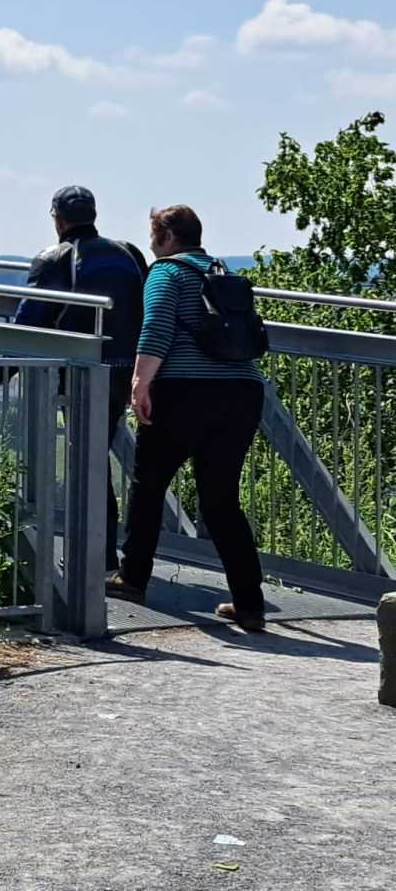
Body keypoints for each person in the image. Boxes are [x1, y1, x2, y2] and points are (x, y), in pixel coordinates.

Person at [107, 204, 267, 631]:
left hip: (184, 393)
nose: (151, 245)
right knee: (220, 501)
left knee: (148, 485)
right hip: (242, 392)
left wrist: (139, 385)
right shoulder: (220, 272)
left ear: (168, 237)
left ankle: (132, 578)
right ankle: (249, 603)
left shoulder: (166, 272)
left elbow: (156, 328)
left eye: (153, 237)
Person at [12, 186, 147, 571]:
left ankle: (93, 555)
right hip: (127, 371)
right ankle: (104, 550)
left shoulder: (55, 257)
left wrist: (4, 369)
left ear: (57, 219)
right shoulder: (128, 252)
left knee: (86, 460)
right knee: (96, 457)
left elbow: (31, 317)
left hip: (82, 372)